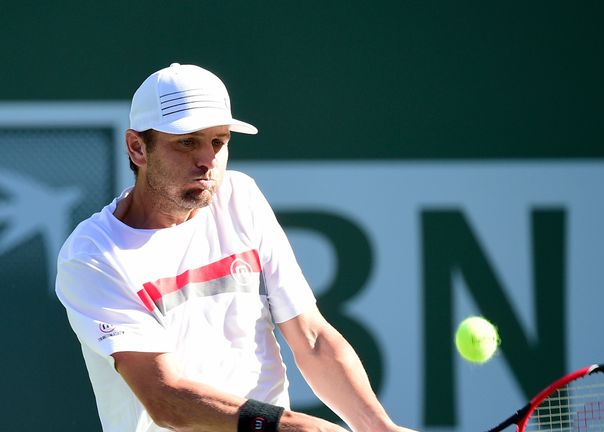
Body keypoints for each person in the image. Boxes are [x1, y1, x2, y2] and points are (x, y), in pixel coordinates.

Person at [56, 63, 413, 432]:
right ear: (137, 148)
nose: (208, 160)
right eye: (187, 142)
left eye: (218, 142)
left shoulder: (241, 198)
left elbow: (312, 339)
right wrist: (302, 428)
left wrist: (379, 428)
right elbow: (166, 399)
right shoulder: (92, 256)